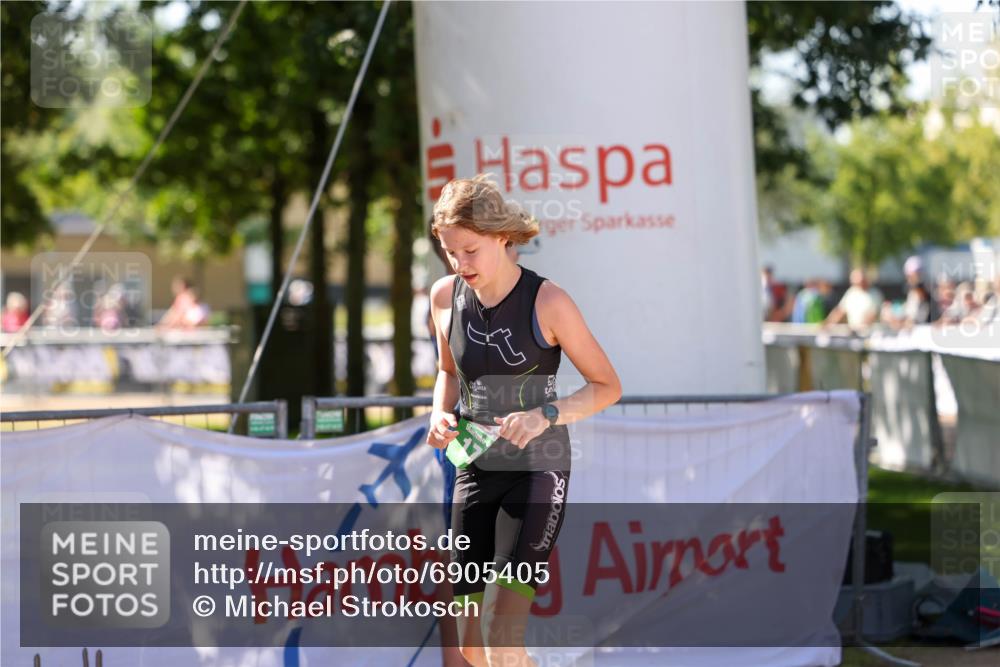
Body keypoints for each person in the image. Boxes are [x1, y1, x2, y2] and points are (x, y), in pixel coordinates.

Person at [425, 174, 622, 667]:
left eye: (470, 251)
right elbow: (448, 373)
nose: (460, 264)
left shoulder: (548, 301)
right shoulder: (444, 297)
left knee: (499, 639)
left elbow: (607, 386)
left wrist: (545, 415)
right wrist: (437, 412)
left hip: (538, 468)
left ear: (502, 238)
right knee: (462, 651)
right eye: (450, 253)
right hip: (473, 464)